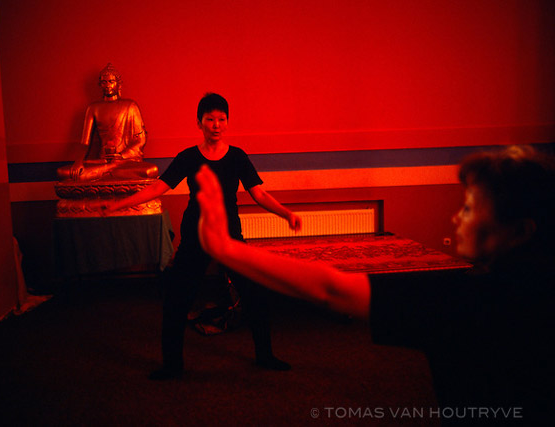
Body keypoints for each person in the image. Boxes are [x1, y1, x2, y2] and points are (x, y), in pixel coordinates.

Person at [196, 145, 555, 424]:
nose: (455, 217)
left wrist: (224, 248)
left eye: (470, 208)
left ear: (521, 230)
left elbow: (331, 289)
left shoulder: (465, 302)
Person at [106, 93, 302, 380]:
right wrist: (119, 204)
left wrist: (286, 213)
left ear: (227, 122)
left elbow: (258, 193)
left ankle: (265, 356)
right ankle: (172, 365)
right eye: (210, 119)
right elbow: (158, 188)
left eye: (221, 119)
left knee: (255, 295)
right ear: (199, 122)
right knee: (176, 300)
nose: (216, 124)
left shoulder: (237, 157)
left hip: (229, 237)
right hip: (196, 237)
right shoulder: (188, 157)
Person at [57, 63, 158, 182]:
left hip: (125, 162)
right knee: (64, 173)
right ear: (100, 85)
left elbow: (140, 140)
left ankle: (108, 171)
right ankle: (109, 170)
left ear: (118, 84)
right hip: (103, 161)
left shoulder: (130, 106)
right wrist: (78, 162)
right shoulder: (93, 108)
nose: (107, 85)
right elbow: (85, 143)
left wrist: (121, 156)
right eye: (104, 82)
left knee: (151, 170)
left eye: (111, 82)